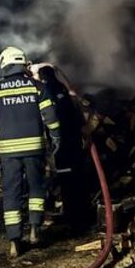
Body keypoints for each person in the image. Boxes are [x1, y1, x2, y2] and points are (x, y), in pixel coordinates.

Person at [0, 47, 60, 257]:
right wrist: (56, 137)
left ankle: (14, 241)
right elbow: (50, 115)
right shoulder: (38, 87)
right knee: (36, 189)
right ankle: (34, 231)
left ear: (4, 64)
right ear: (23, 64)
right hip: (34, 150)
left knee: (12, 193)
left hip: (9, 153)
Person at [36, 65, 92, 231]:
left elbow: (49, 116)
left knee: (64, 178)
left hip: (61, 141)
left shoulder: (47, 90)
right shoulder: (62, 88)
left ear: (42, 77)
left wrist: (53, 138)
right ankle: (78, 212)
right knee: (74, 175)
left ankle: (71, 214)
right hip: (72, 140)